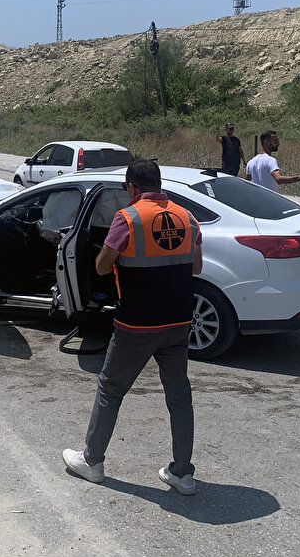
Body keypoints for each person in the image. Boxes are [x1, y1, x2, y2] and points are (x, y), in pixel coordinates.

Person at [62, 158, 203, 496]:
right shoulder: (188, 218)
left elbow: (102, 267)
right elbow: (195, 267)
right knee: (179, 395)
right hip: (178, 321)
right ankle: (182, 474)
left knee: (110, 389)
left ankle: (92, 461)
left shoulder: (128, 218)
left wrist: (107, 253)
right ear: (159, 184)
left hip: (137, 323)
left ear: (131, 187)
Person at [245, 130, 300, 194]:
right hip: (270, 200)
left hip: (257, 200)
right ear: (266, 143)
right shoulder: (270, 160)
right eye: (275, 141)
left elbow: (246, 182)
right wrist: (299, 178)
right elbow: (278, 179)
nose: (278, 143)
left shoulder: (251, 162)